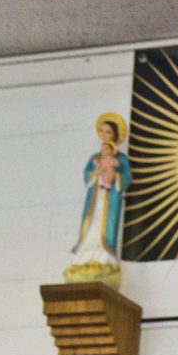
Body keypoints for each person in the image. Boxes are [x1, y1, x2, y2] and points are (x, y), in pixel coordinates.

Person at [66, 111, 130, 285]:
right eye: (102, 132)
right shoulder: (95, 158)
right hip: (95, 198)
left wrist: (114, 176)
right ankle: (85, 258)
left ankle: (104, 259)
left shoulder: (121, 158)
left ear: (116, 135)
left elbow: (127, 178)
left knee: (106, 225)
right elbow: (87, 175)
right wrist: (96, 173)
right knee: (91, 224)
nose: (104, 136)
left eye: (108, 132)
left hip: (110, 199)